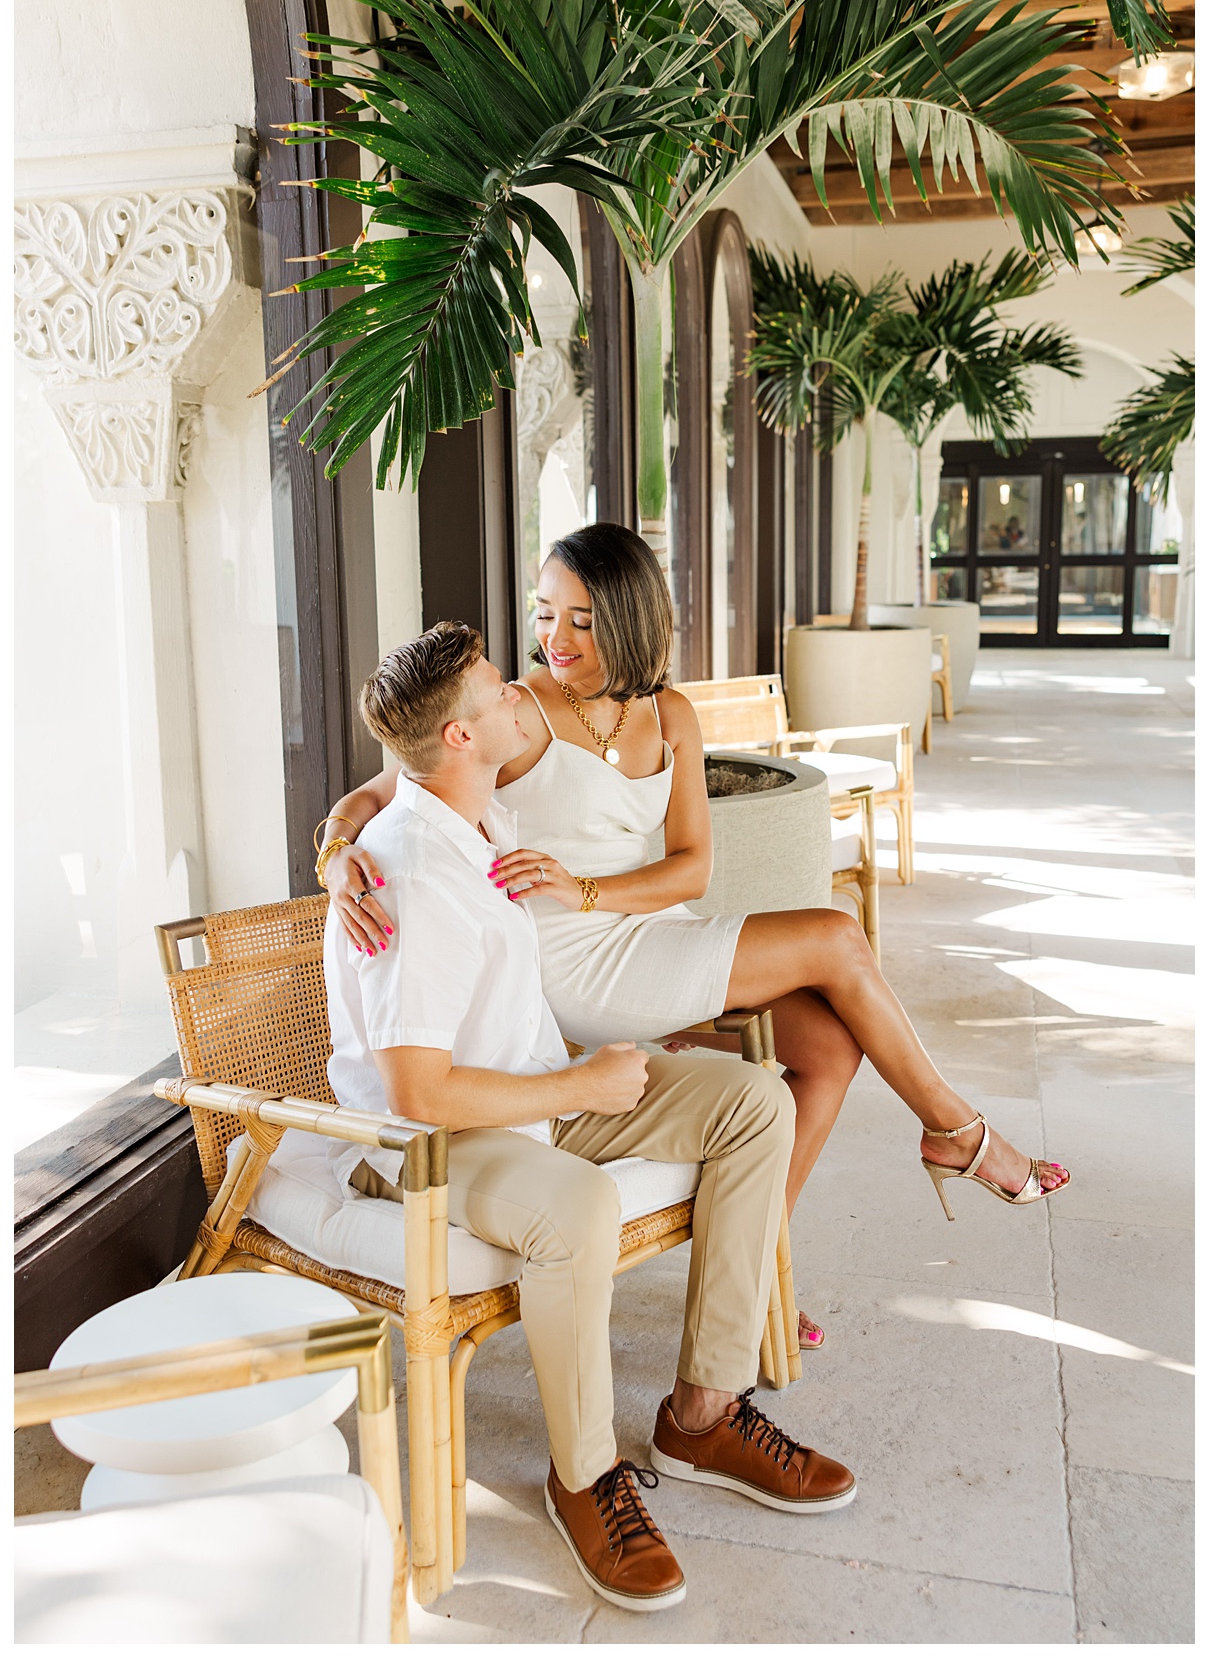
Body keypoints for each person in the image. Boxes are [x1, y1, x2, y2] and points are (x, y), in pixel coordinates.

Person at [323, 526, 1069, 1347]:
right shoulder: (517, 713)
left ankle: (747, 1286)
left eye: (580, 619)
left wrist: (592, 886)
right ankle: (956, 1132)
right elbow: (381, 793)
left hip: (647, 928)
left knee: (825, 1049)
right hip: (564, 958)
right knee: (832, 933)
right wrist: (335, 854)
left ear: (631, 617)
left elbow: (690, 871)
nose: (554, 640)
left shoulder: (671, 713)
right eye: (544, 616)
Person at [319, 620, 856, 1613]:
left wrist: (330, 843)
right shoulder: (413, 877)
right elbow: (418, 1096)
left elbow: (382, 788)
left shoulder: (471, 813)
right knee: (572, 1208)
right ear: (464, 740)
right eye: (494, 690)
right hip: (431, 1145)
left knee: (750, 1101)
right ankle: (585, 1478)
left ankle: (705, 1410)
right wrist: (580, 1088)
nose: (517, 689)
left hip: (528, 1088)